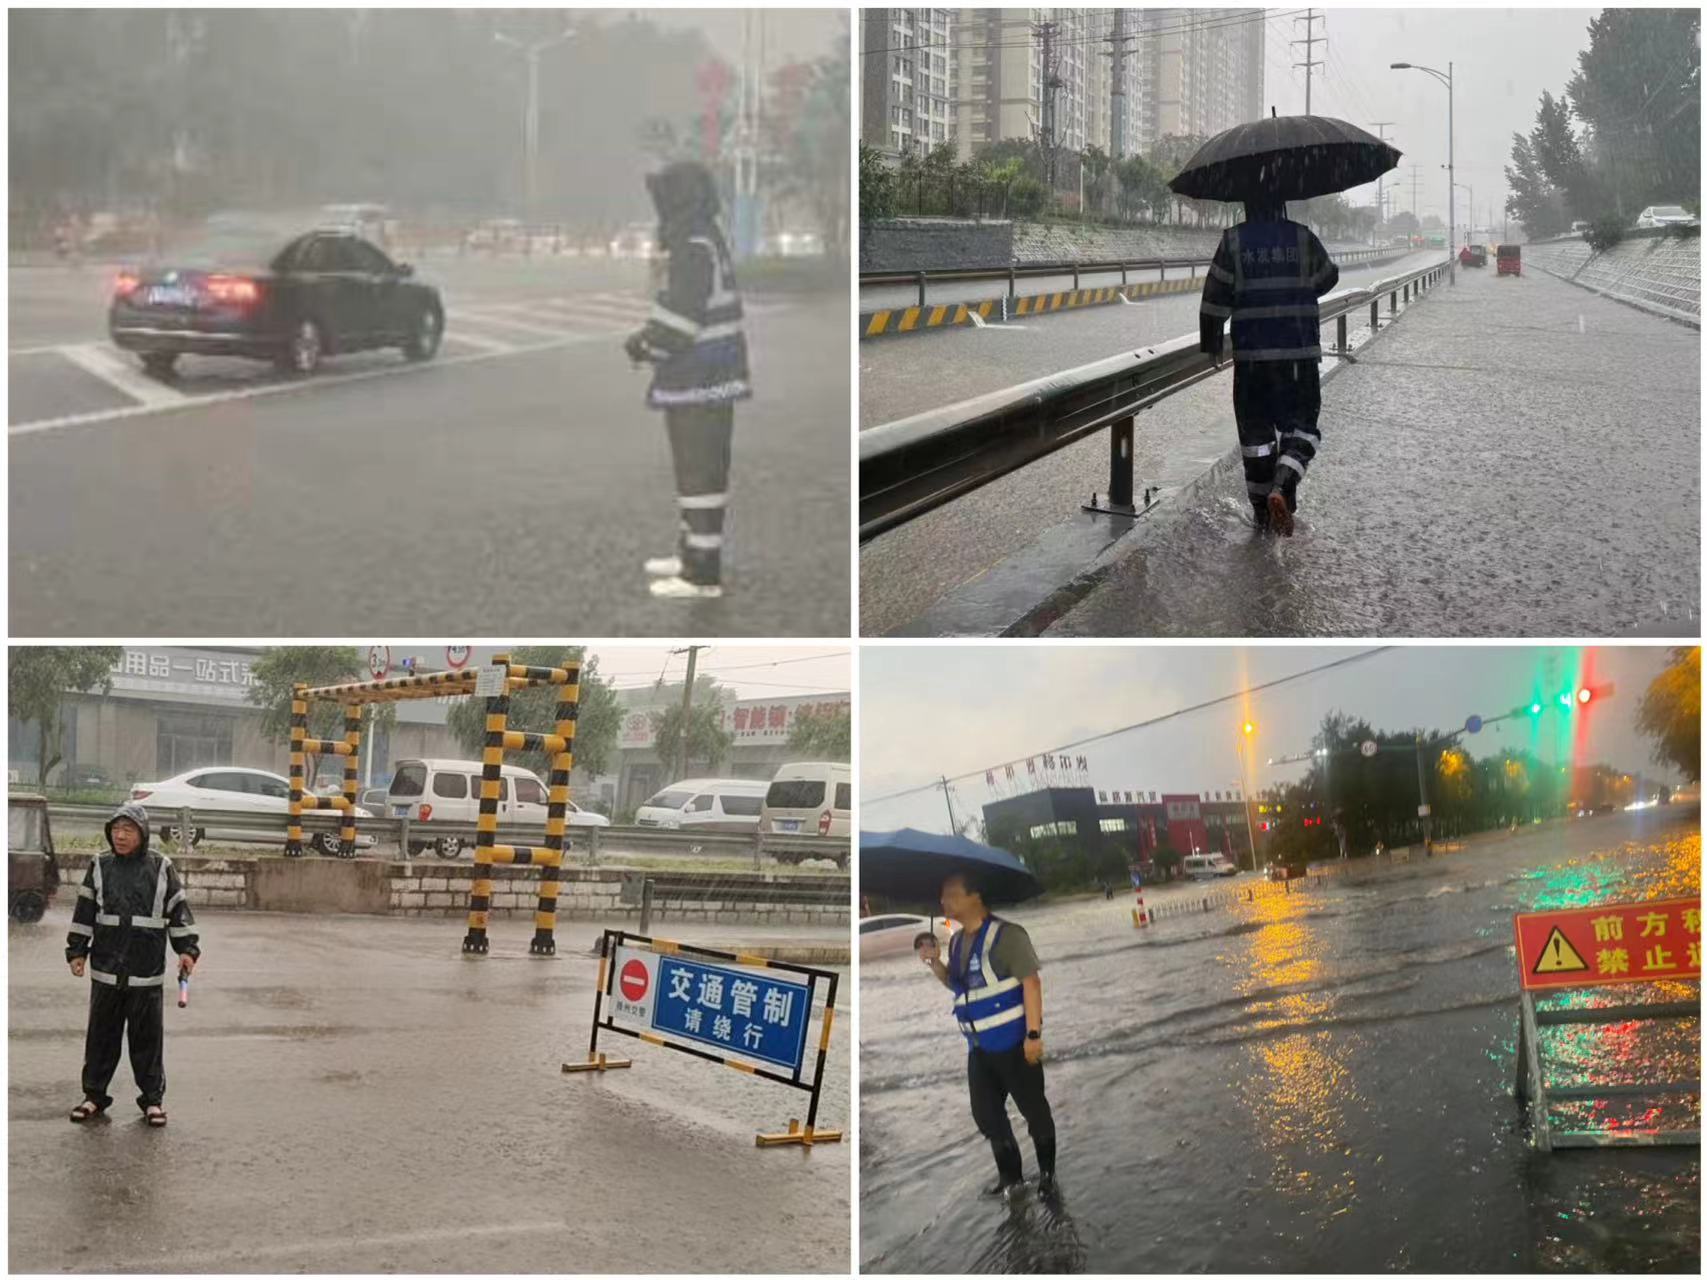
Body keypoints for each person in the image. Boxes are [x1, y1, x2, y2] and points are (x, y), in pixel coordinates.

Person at [625, 159, 752, 600]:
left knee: (700, 473)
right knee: (696, 470)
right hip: (705, 376)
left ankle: (701, 573)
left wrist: (643, 344)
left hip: (701, 377)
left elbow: (681, 319)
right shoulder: (702, 235)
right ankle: (690, 554)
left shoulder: (691, 243)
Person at [1198, 197, 1339, 536]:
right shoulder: (1303, 237)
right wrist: (1297, 289)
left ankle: (1263, 516)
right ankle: (1283, 486)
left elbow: (1214, 298)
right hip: (1298, 354)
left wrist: (1211, 341)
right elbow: (1328, 277)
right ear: (1282, 203)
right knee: (1302, 425)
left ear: (1246, 204)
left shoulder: (1233, 241)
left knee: (1256, 439)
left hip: (1252, 360)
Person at [915, 871, 1056, 1198]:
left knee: (1034, 1111)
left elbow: (1031, 983)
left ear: (974, 896)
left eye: (951, 894)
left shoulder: (1008, 936)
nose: (943, 901)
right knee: (987, 1116)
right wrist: (936, 964)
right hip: (979, 1049)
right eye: (942, 896)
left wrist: (1033, 1035)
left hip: (1015, 1045)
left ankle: (1047, 1176)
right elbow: (958, 985)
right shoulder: (957, 940)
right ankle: (1012, 1179)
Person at [65, 802, 200, 1127]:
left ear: (142, 833)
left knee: (147, 1041)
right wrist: (77, 951)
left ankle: (152, 1102)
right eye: (116, 830)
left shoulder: (161, 867)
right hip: (107, 971)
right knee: (101, 1037)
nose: (120, 836)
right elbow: (84, 912)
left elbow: (178, 912)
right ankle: (94, 1096)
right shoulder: (99, 865)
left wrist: (187, 950)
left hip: (145, 973)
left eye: (128, 830)